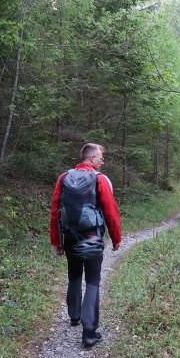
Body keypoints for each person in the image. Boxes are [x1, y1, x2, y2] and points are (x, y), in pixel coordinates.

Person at [50, 143, 122, 347]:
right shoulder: (99, 179)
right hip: (92, 237)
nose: (102, 161)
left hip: (70, 237)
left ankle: (74, 317)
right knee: (92, 281)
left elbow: (55, 211)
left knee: (73, 276)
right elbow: (110, 211)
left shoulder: (63, 178)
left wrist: (57, 241)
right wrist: (116, 239)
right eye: (100, 157)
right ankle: (89, 332)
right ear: (91, 158)